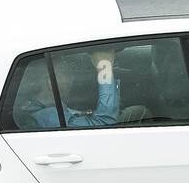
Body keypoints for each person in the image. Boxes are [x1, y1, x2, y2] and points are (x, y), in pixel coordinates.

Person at [21, 50, 150, 128]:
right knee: (141, 113)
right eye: (66, 74)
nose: (72, 79)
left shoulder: (38, 108)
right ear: (50, 82)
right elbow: (106, 122)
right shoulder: (48, 116)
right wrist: (104, 67)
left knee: (136, 112)